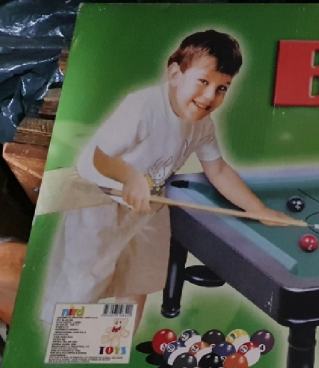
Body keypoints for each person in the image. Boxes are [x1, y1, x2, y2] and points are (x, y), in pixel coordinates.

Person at [40, 30, 288, 326]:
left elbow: (218, 170)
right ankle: (64, 338)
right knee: (87, 276)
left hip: (147, 203)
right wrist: (130, 177)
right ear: (174, 74)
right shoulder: (142, 107)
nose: (210, 96)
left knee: (141, 275)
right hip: (99, 199)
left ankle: (119, 339)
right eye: (203, 81)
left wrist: (257, 209)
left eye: (222, 88)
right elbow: (93, 159)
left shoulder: (203, 126)